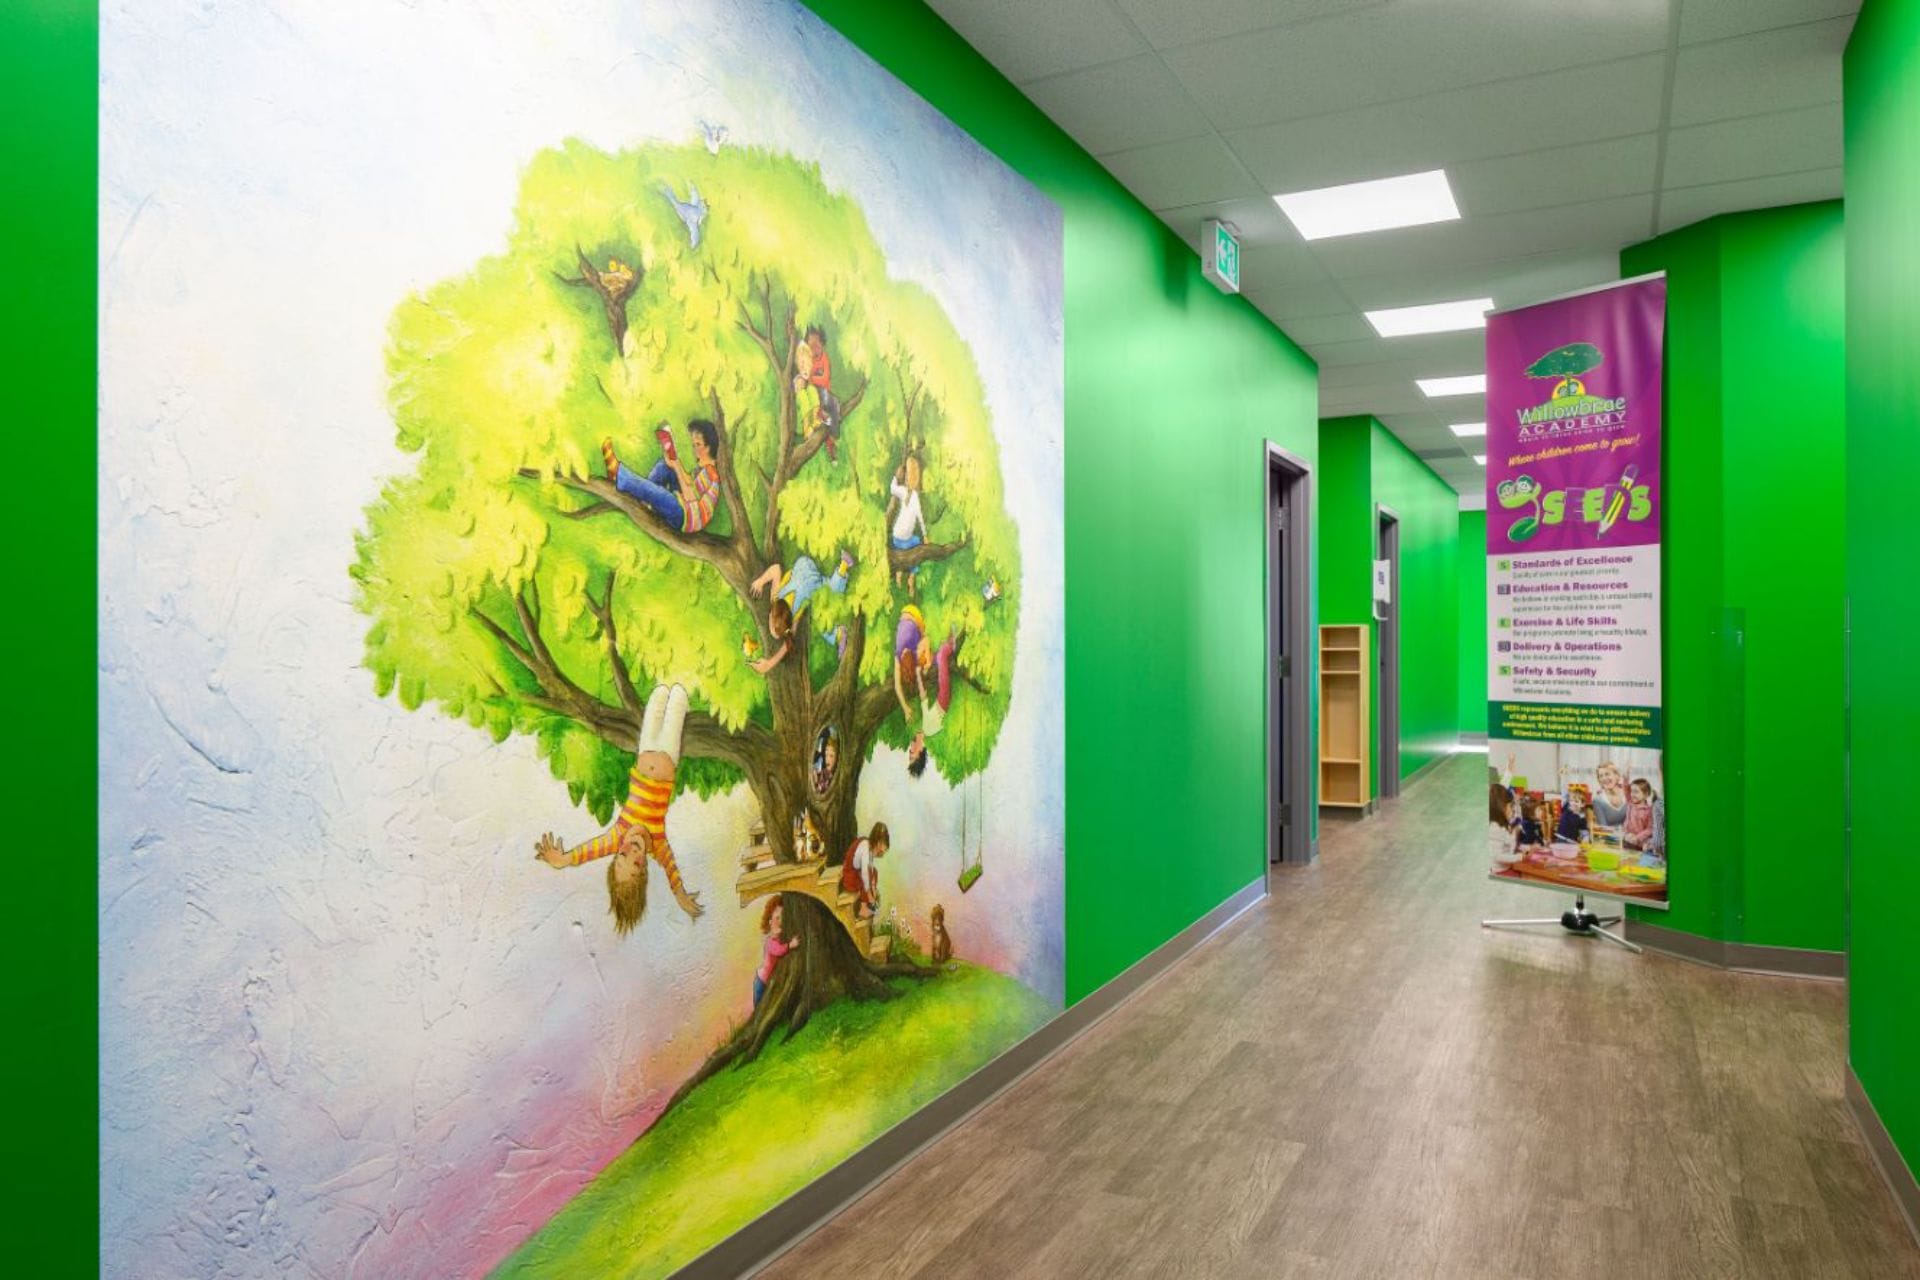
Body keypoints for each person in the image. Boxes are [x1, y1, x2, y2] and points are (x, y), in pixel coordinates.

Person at [533, 683, 704, 931]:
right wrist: (680, 896)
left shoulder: (618, 836)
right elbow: (672, 872)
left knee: (658, 697)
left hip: (645, 751)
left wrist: (564, 860)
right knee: (678, 696)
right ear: (644, 867)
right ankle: (684, 698)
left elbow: (589, 851)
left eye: (622, 857)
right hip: (669, 756)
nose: (631, 852)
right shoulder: (658, 844)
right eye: (636, 863)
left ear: (615, 855)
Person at [601, 419, 722, 534]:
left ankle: (619, 474)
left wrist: (677, 466)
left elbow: (691, 498)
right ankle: (646, 501)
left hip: (686, 517)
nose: (694, 449)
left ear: (708, 447)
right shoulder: (704, 470)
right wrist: (673, 460)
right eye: (694, 445)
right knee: (665, 466)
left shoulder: (711, 473)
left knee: (659, 492)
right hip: (685, 507)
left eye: (698, 445)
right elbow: (688, 482)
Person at [748, 551, 855, 675]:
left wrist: (769, 664)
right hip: (803, 563)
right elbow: (776, 569)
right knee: (817, 599)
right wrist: (760, 582)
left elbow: (786, 644)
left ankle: (844, 564)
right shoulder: (775, 598)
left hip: (810, 582)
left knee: (829, 595)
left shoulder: (792, 617)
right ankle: (839, 633)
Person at [906, 630, 961, 778]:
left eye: (909, 753)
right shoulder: (928, 729)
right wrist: (918, 675)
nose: (910, 749)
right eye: (912, 754)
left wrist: (918, 675)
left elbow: (923, 698)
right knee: (941, 655)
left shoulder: (926, 729)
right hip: (943, 698)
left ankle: (948, 637)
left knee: (935, 658)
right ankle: (951, 644)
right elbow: (924, 697)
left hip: (943, 699)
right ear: (920, 752)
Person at [889, 454, 929, 595]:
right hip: (901, 538)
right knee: (916, 547)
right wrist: (925, 535)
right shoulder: (910, 494)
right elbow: (920, 518)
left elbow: (892, 488)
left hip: (898, 537)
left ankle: (900, 574)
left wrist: (896, 476)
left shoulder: (905, 492)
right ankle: (910, 577)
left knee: (914, 545)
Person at [753, 899, 801, 1009]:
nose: (781, 921)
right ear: (770, 923)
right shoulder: (770, 941)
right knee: (759, 1006)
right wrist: (790, 945)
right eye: (777, 918)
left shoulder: (778, 938)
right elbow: (778, 951)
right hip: (761, 981)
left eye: (782, 917)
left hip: (768, 981)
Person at [838, 821, 890, 921]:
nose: (881, 854)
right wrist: (870, 896)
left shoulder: (869, 847)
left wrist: (873, 887)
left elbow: (871, 869)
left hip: (855, 874)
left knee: (874, 872)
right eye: (881, 851)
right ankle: (863, 909)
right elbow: (865, 875)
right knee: (866, 878)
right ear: (878, 843)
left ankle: (868, 904)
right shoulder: (865, 848)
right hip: (849, 878)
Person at [893, 603, 934, 722]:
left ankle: (927, 661)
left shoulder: (902, 656)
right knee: (925, 655)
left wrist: (927, 664)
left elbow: (897, 686)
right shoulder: (899, 657)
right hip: (906, 614)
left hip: (914, 615)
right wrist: (905, 709)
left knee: (926, 656)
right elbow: (897, 686)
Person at [1591, 760, 1630, 829]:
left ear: (1616, 776)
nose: (1604, 778)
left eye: (1607, 774)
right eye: (1601, 776)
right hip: (1610, 835)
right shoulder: (1597, 801)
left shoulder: (1628, 794)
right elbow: (1604, 828)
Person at [1489, 783, 1521, 869]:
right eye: (1510, 806)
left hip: (1507, 868)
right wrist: (1520, 857)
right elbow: (1498, 856)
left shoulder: (1505, 825)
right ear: (1500, 807)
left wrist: (1514, 833)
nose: (1512, 810)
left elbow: (1509, 848)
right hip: (1500, 871)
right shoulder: (1494, 827)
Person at [1623, 778, 1656, 850]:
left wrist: (1637, 837)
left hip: (1641, 842)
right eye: (1631, 791)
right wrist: (1625, 778)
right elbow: (1626, 790)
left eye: (1636, 792)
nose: (1632, 794)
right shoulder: (1630, 803)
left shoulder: (1649, 810)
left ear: (1646, 794)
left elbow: (1650, 829)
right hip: (1628, 839)